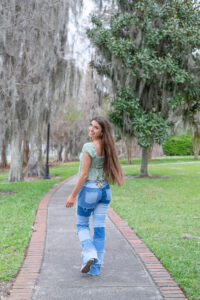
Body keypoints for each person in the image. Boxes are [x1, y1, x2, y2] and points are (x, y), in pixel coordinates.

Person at [66, 116, 124, 276]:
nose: (91, 129)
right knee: (99, 228)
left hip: (90, 190)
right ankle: (95, 268)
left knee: (82, 225)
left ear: (102, 131)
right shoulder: (108, 147)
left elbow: (84, 175)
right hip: (105, 190)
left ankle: (90, 254)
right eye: (91, 125)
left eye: (96, 127)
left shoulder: (89, 147)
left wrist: (72, 196)